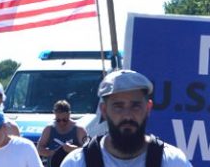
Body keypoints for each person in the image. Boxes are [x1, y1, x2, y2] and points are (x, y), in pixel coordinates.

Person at [61, 69, 192, 167]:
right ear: (104, 110)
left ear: (148, 108)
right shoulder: (77, 163)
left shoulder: (172, 162)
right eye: (118, 106)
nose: (128, 115)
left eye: (135, 106)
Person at [37, 99, 88, 166]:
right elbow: (39, 149)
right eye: (58, 120)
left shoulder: (79, 129)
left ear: (69, 114)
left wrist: (74, 149)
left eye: (65, 120)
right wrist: (53, 153)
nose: (61, 123)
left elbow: (87, 151)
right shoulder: (49, 129)